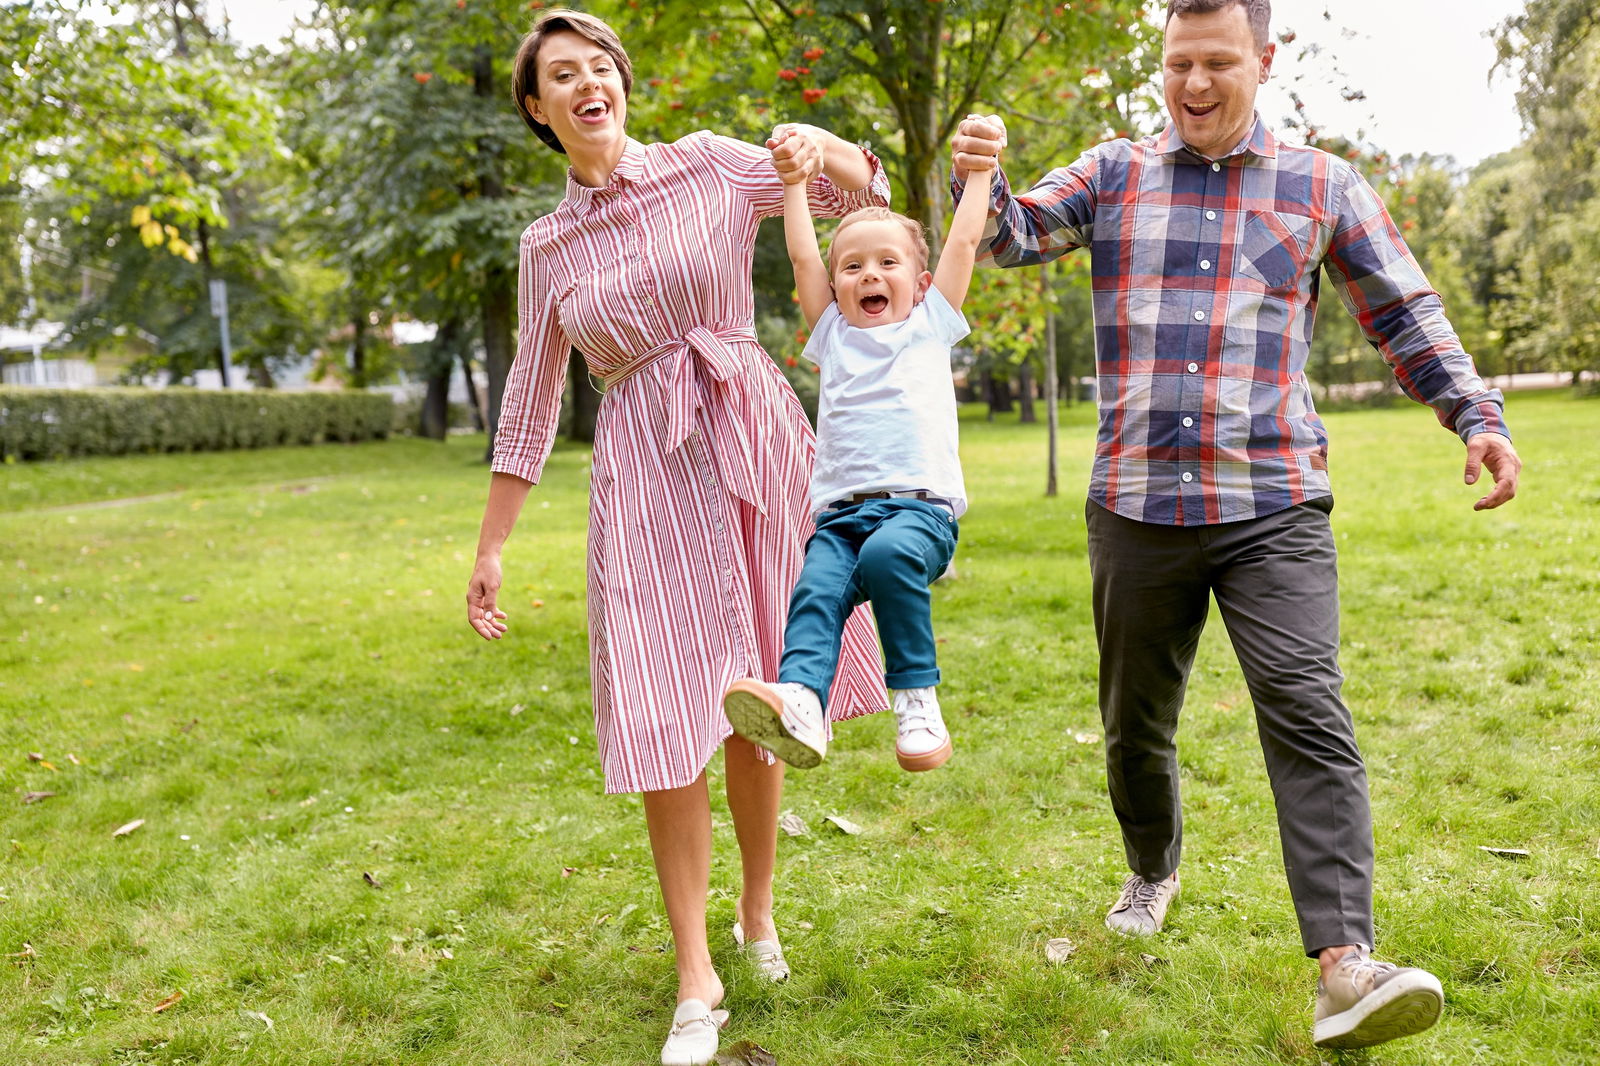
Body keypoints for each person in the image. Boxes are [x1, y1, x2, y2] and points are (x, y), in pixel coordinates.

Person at [949, 0, 1521, 1050]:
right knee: (1135, 726)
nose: (1195, 84)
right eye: (1178, 64)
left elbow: (1402, 310)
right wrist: (976, 172)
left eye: (1217, 63)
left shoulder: (1320, 184)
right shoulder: (1115, 170)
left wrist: (1473, 416)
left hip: (1273, 502)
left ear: (1264, 59)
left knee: (1306, 705)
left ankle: (1345, 962)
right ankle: (1152, 863)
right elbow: (1014, 236)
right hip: (1136, 504)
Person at [466, 11, 891, 1065]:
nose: (585, 84)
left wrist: (811, 144)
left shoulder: (708, 165)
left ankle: (757, 913)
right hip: (642, 468)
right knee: (665, 707)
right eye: (560, 76)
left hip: (752, 434)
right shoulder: (546, 244)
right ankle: (694, 970)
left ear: (621, 84)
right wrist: (490, 546)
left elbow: (858, 195)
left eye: (598, 66)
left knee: (756, 697)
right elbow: (529, 394)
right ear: (539, 109)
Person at [721, 134, 995, 774]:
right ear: (836, 284)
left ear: (920, 281)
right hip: (840, 520)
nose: (869, 274)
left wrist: (980, 173)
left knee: (889, 554)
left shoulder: (931, 322)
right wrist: (792, 185)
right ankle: (802, 705)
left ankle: (916, 700)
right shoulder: (834, 331)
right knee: (814, 595)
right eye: (852, 267)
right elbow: (799, 256)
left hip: (918, 515)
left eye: (887, 263)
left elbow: (960, 244)